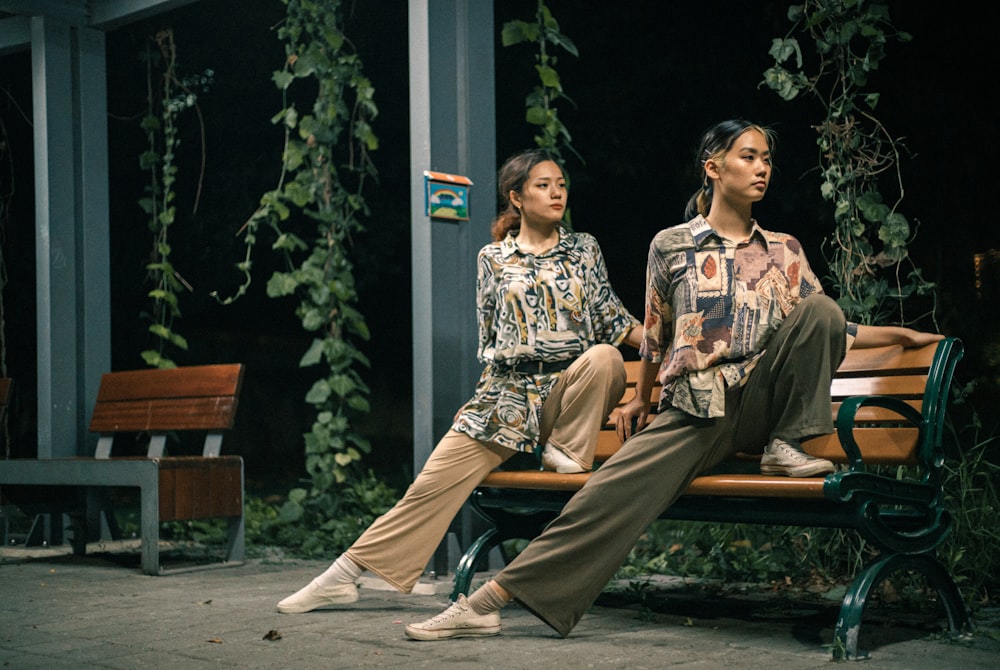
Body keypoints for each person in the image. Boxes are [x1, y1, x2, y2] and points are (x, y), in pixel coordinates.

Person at [404, 119, 945, 641]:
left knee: (821, 308)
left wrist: (897, 334)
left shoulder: (784, 250)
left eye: (766, 159)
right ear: (713, 167)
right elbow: (657, 335)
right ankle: (485, 603)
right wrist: (641, 396)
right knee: (606, 494)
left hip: (762, 406)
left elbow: (828, 328)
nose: (761, 168)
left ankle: (787, 444)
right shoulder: (671, 245)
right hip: (696, 408)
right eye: (748, 156)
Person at [275, 148, 642, 614]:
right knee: (428, 485)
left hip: (569, 393)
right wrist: (478, 402)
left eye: (561, 184)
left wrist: (670, 341)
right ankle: (343, 574)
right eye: (543, 185)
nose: (556, 193)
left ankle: (567, 451)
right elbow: (491, 338)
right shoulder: (492, 258)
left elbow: (612, 320)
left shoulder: (584, 249)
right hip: (506, 397)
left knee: (606, 357)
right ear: (516, 196)